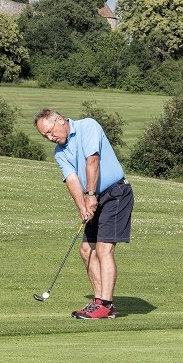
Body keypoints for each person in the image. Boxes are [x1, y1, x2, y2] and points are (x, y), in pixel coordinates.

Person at [34, 108, 134, 319]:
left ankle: (105, 305)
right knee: (87, 250)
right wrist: (82, 207)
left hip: (116, 193)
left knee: (104, 249)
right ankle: (100, 302)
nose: (51, 138)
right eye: (45, 136)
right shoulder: (60, 153)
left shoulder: (87, 126)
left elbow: (93, 161)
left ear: (60, 120)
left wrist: (90, 195)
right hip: (94, 197)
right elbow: (71, 179)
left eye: (51, 132)